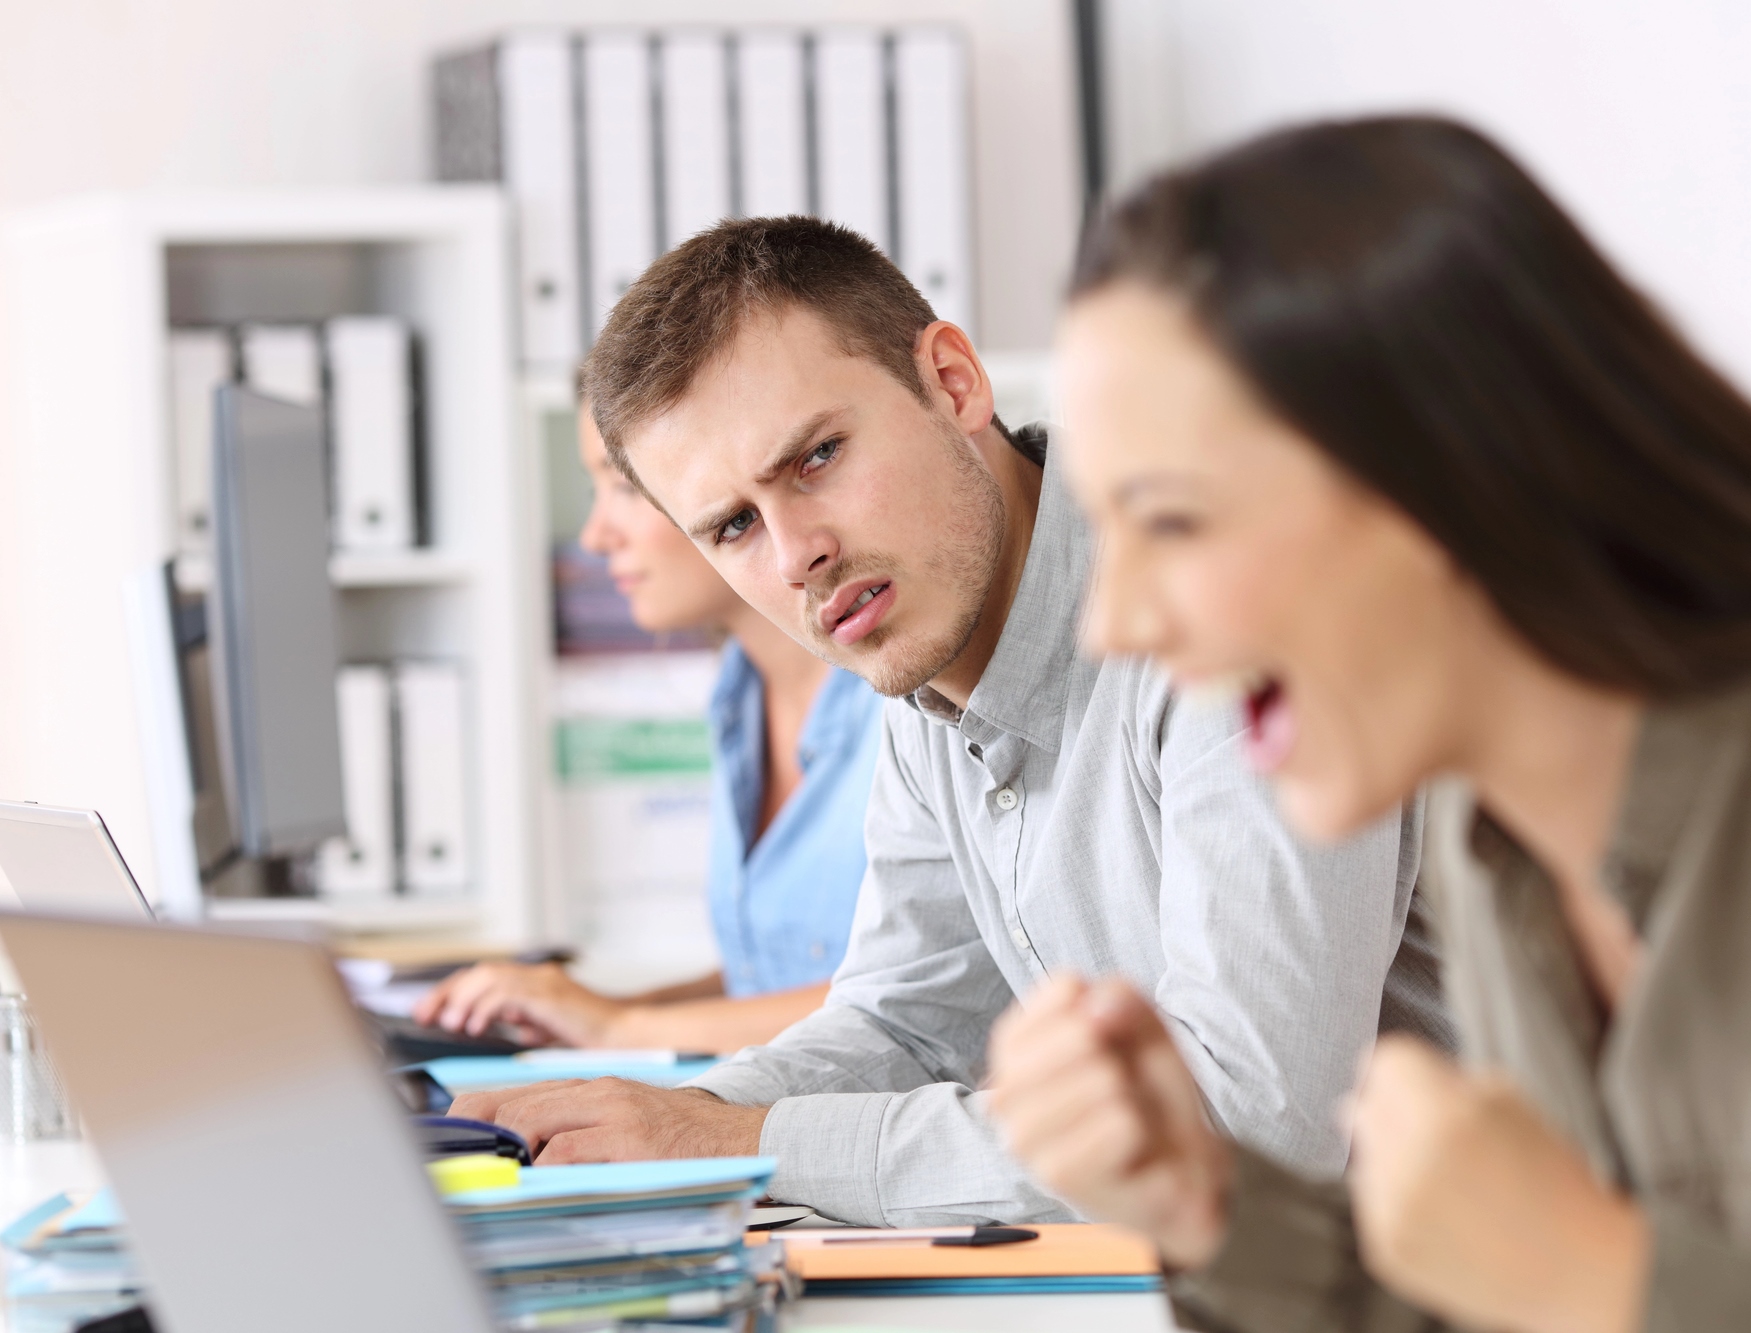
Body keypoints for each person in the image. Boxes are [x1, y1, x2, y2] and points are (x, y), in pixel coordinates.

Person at [985, 113, 1751, 1333]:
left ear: (1437, 482)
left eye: (1174, 522)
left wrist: (1612, 1284)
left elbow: (1580, 1291)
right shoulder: (1491, 838)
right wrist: (1209, 1205)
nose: (1110, 624)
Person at [450, 217, 1445, 1227]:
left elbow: (1255, 1123)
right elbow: (910, 1023)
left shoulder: (1224, 613)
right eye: (734, 526)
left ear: (953, 381)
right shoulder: (921, 657)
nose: (798, 554)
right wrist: (665, 1119)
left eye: (816, 458)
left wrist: (741, 1141)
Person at [412, 402, 881, 1054]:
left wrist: (621, 1028)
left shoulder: (901, 703)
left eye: (624, 488)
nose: (596, 536)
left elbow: (905, 1001)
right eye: (594, 489)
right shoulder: (736, 693)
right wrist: (596, 1013)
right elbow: (781, 975)